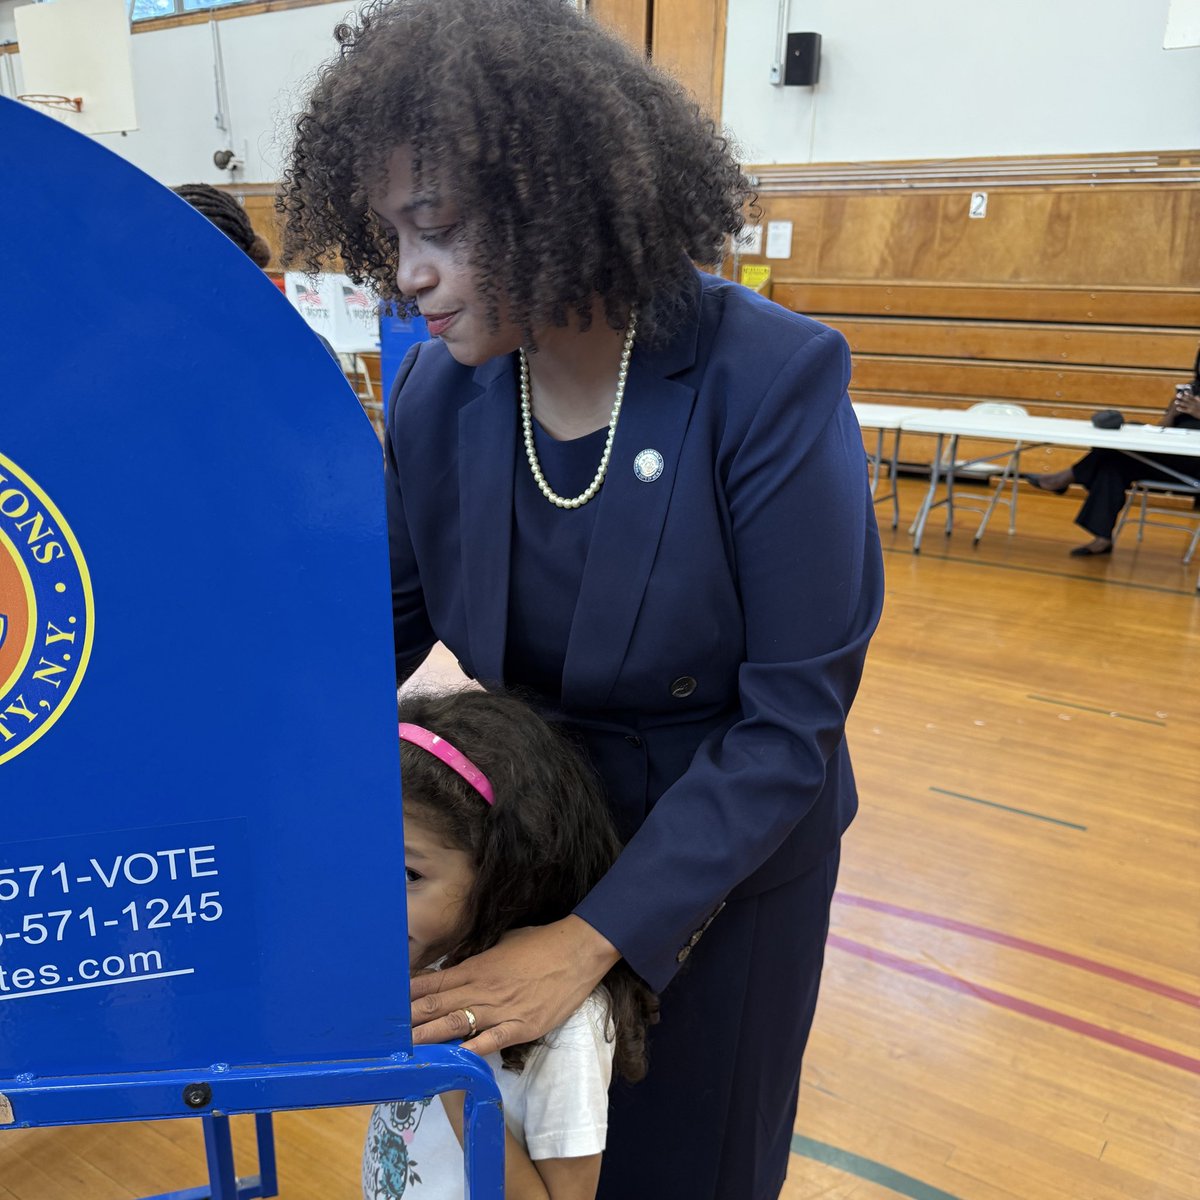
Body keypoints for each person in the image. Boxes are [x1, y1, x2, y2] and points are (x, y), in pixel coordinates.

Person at [279, 2, 884, 1197]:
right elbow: (361, 644)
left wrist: (592, 940)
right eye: (392, 234)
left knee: (685, 1168)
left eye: (437, 230)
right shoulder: (437, 403)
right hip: (532, 845)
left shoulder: (768, 380)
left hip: (715, 867)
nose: (407, 276)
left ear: (558, 206)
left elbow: (792, 725)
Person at [363, 688, 655, 1200]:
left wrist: (452, 1076)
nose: (372, 900)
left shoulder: (570, 1031)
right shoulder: (437, 952)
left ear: (507, 874)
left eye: (409, 873)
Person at [1028, 349, 1200, 556]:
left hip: (1194, 467)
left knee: (1114, 451)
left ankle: (1063, 479)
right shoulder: (1192, 390)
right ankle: (1102, 538)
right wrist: (1171, 414)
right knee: (1113, 461)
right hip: (1171, 457)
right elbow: (1163, 429)